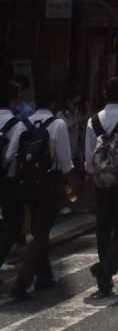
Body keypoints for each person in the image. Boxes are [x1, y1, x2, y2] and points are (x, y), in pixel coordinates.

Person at [5, 82, 74, 300]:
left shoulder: (23, 124)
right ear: (54, 103)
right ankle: (22, 283)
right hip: (49, 183)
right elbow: (65, 161)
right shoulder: (58, 124)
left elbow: (10, 155)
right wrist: (70, 186)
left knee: (38, 228)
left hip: (27, 184)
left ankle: (45, 277)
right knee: (42, 232)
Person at [85, 75, 118, 296]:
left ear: (104, 94)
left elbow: (88, 158)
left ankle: (105, 276)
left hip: (100, 180)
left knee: (103, 227)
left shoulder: (92, 121)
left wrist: (96, 173)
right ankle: (107, 267)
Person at [0, 80, 25, 283]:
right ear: (13, 100)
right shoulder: (17, 125)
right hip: (8, 180)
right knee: (14, 224)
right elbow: (11, 156)